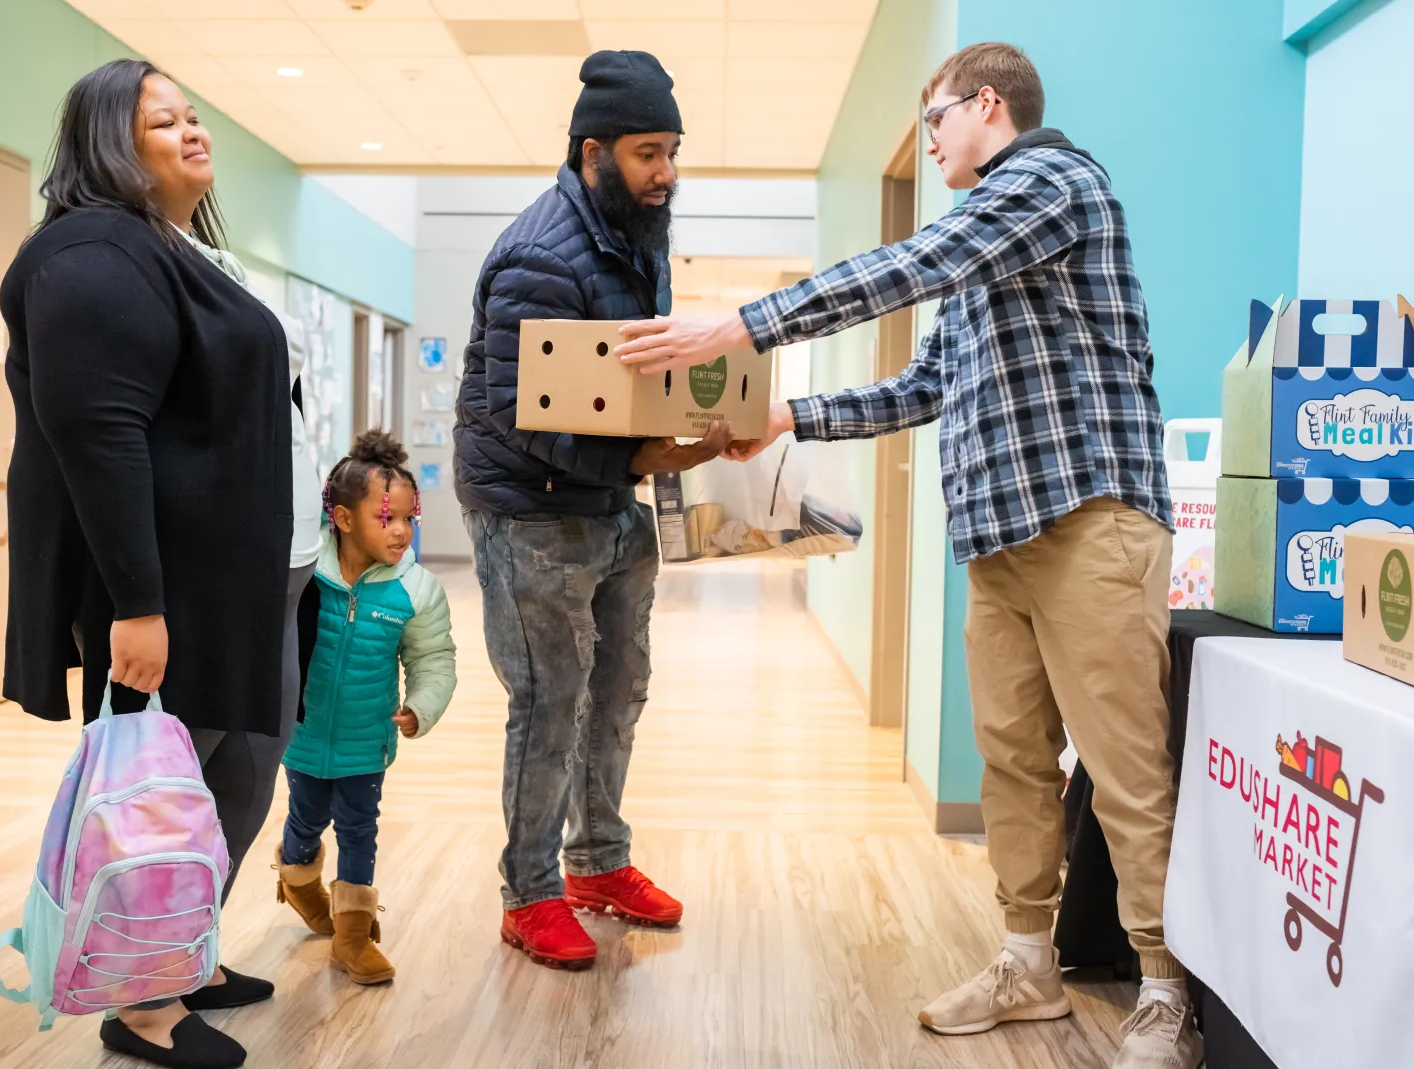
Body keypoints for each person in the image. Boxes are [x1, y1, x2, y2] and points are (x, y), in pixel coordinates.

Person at [615, 42, 1201, 1069]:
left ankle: (1165, 991)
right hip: (999, 536)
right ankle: (1030, 961)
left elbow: (910, 264)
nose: (929, 140)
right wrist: (790, 412)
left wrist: (741, 328)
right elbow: (922, 387)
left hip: (1090, 523)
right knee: (1014, 763)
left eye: (936, 119)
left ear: (987, 103)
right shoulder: (983, 255)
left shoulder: (1052, 184)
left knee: (1124, 771)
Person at [1, 59, 300, 1069]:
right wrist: (137, 603)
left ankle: (184, 953)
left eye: (192, 115)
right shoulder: (90, 255)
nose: (192, 131)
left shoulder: (167, 250)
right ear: (107, 146)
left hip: (243, 584)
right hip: (168, 592)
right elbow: (98, 432)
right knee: (157, 797)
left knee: (242, 777)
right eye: (161, 121)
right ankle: (142, 1004)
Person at [453, 49, 731, 971]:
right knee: (548, 697)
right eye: (649, 154)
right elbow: (515, 408)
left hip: (608, 496)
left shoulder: (634, 234)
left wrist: (692, 434)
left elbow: (629, 376)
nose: (666, 174)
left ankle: (597, 864)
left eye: (673, 152)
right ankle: (529, 892)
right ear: (591, 152)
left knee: (617, 687)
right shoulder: (542, 253)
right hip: (528, 508)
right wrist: (645, 452)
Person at [272, 430, 456, 986]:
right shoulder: (305, 574)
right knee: (306, 821)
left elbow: (433, 657)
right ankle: (297, 877)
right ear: (345, 520)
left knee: (358, 828)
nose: (401, 531)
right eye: (386, 518)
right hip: (301, 737)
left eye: (407, 517)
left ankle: (352, 936)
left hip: (365, 740)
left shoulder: (415, 590)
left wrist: (422, 706)